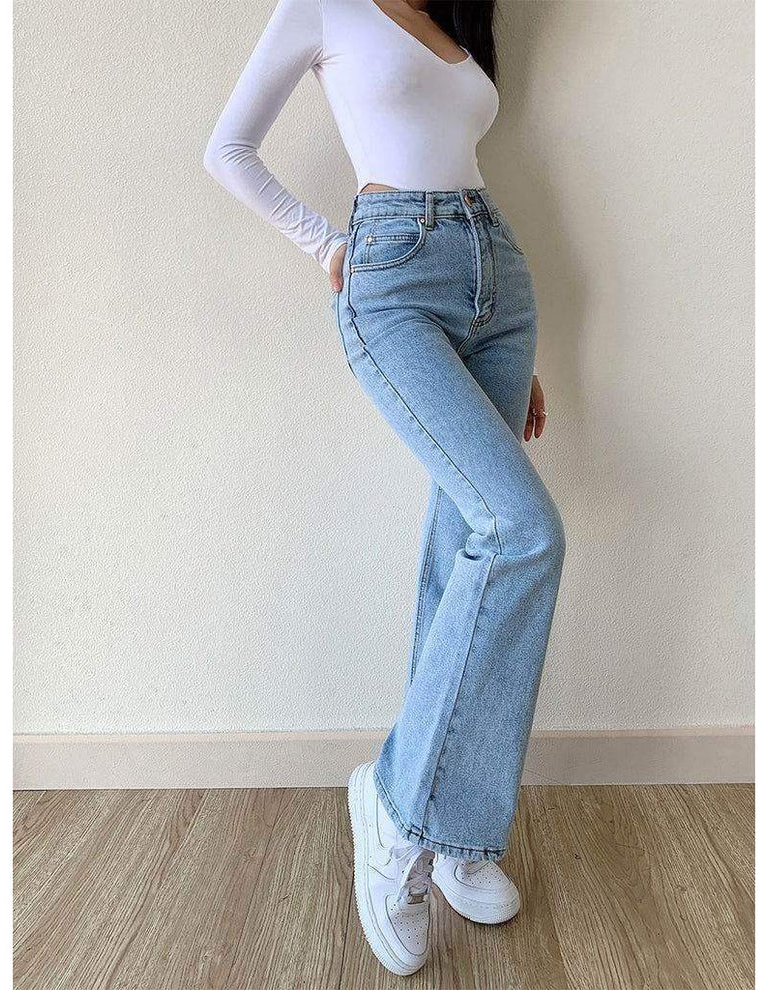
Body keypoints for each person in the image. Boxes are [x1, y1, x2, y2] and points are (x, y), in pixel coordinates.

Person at [204, 0, 565, 976]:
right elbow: (227, 150)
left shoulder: (459, 17)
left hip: (498, 281)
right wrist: (326, 243)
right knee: (524, 531)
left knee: (466, 544)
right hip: (392, 271)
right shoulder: (322, 7)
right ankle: (397, 806)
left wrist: (512, 358)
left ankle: (456, 833)